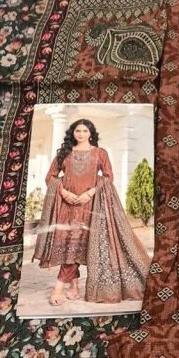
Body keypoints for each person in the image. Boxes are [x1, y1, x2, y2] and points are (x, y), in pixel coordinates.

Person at [32, 118, 113, 305]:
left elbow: (108, 177)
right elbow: (51, 176)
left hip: (88, 206)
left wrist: (90, 193)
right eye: (78, 131)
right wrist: (64, 192)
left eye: (85, 131)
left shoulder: (100, 153)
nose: (81, 134)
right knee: (69, 244)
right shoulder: (65, 153)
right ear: (72, 133)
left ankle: (58, 287)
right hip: (66, 206)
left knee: (76, 244)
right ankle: (74, 285)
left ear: (91, 133)